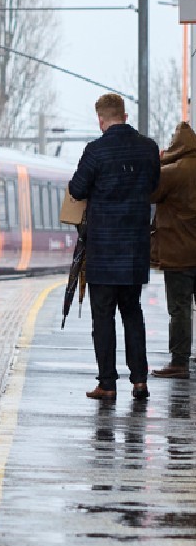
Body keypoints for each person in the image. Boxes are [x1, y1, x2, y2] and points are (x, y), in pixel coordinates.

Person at [68, 92, 160, 401]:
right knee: (133, 314)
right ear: (125, 115)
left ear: (101, 119)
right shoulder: (148, 149)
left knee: (103, 318)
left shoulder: (96, 151)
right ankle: (140, 381)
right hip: (134, 248)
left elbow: (77, 188)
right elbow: (153, 186)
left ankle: (107, 383)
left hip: (104, 251)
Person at [150, 121, 196, 379]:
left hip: (179, 253)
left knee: (179, 309)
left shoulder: (173, 171)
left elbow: (150, 193)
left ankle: (179, 362)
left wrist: (160, 164)